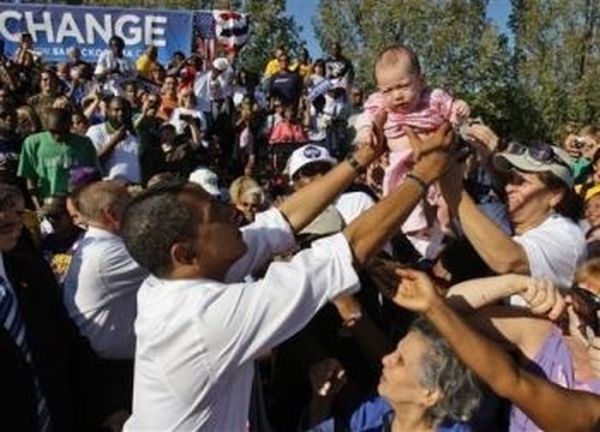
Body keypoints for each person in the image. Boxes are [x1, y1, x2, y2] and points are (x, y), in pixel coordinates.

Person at [119, 121, 456, 431]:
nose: (233, 211)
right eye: (215, 213)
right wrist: (424, 173)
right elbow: (350, 247)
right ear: (185, 253)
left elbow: (283, 219)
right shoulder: (204, 318)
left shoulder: (173, 277)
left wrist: (362, 156)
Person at [391, 269, 600, 432]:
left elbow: (512, 382)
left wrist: (434, 307)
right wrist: (517, 283)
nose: (572, 302)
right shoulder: (548, 335)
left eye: (590, 304)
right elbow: (454, 313)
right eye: (578, 293)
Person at [0, 183, 127, 431]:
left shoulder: (30, 270)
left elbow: (68, 342)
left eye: (10, 203)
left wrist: (107, 406)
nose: (13, 214)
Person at [441, 140, 586, 291]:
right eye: (511, 179)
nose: (509, 187)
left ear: (556, 195)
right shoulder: (499, 219)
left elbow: (508, 261)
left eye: (522, 182)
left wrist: (453, 189)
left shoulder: (567, 236)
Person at [309, 319, 481, 431]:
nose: (385, 359)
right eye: (395, 351)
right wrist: (322, 400)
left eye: (401, 361)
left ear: (429, 393)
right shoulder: (377, 410)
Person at [356, 45, 470, 196]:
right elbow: (365, 116)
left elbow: (453, 117)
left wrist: (460, 110)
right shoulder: (380, 103)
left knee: (445, 206)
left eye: (403, 86)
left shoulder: (433, 98)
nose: (397, 96)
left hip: (437, 162)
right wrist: (365, 131)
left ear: (421, 81)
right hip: (400, 166)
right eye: (388, 90)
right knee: (408, 209)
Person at [63, 181, 147, 359]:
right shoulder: (108, 254)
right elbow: (179, 259)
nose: (139, 213)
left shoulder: (102, 246)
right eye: (132, 207)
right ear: (111, 214)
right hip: (110, 370)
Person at [18, 108, 99, 210]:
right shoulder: (32, 143)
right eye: (53, 132)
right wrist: (38, 207)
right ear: (46, 126)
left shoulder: (84, 143)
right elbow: (30, 179)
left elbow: (93, 175)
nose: (57, 136)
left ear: (70, 125)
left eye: (63, 131)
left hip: (76, 204)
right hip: (46, 204)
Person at [86, 97, 141, 184]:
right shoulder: (96, 130)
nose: (121, 113)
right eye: (116, 110)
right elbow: (94, 161)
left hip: (133, 188)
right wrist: (116, 139)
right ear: (107, 111)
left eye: (124, 110)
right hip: (108, 187)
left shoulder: (135, 133)